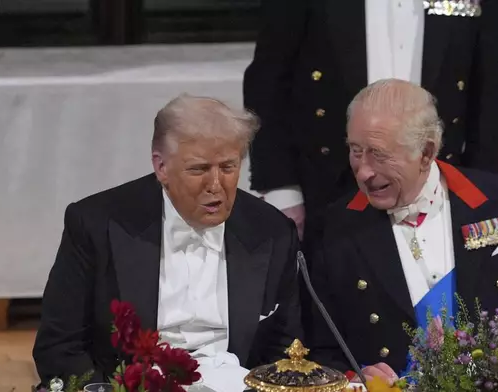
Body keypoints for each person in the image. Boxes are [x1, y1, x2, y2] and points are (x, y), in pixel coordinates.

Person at [303, 79, 498, 382]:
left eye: (378, 154)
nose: (363, 171)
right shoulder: (333, 228)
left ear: (427, 153)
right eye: (355, 150)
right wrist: (354, 379)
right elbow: (320, 348)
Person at [33, 95, 303, 391]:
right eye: (199, 169)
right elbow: (60, 347)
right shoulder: (96, 225)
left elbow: (285, 350)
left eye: (228, 167)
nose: (216, 185)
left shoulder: (272, 232)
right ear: (161, 167)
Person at [243, 0, 498, 239]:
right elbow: (268, 81)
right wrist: (281, 189)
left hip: (438, 183)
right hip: (328, 187)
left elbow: (487, 92)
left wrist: (481, 191)